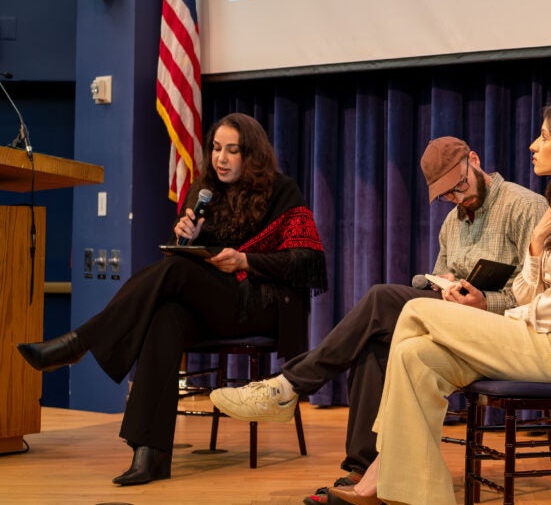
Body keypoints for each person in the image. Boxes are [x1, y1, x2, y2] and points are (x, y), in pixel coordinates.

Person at [208, 136, 548, 500]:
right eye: (446, 194)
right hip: (453, 323)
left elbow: (539, 296)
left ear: (474, 161)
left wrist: (486, 302)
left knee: (381, 297)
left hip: (504, 332)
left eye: (459, 186)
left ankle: (289, 386)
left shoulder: (524, 206)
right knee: (374, 344)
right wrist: (441, 284)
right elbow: (433, 283)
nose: (457, 197)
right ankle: (361, 471)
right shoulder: (452, 221)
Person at [330, 95, 551, 505]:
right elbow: (528, 289)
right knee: (415, 356)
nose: (532, 146)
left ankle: (381, 470)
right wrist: (537, 247)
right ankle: (420, 494)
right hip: (537, 337)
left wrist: (511, 318)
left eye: (543, 137)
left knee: (415, 308)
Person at [16, 113, 327, 486]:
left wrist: (246, 260)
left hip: (260, 305)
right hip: (213, 304)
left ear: (252, 155)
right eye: (215, 149)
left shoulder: (281, 191)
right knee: (166, 317)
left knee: (176, 273)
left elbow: (308, 261)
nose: (220, 159)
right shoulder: (203, 194)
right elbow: (183, 266)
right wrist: (188, 238)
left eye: (232, 150)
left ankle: (79, 342)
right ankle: (151, 455)